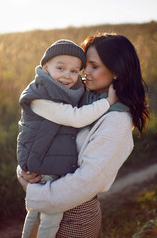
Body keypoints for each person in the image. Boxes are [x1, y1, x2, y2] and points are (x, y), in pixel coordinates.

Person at [17, 33, 149, 238]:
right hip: (48, 202)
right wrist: (26, 170)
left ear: (116, 71)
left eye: (94, 67)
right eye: (85, 65)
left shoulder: (116, 121)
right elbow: (38, 136)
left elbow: (85, 183)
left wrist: (33, 190)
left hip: (74, 217)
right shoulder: (79, 99)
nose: (84, 72)